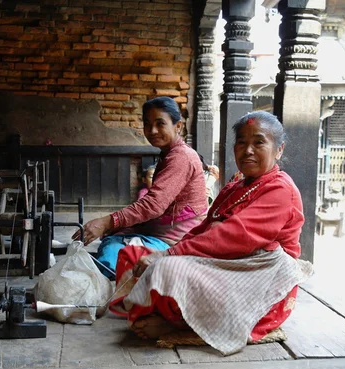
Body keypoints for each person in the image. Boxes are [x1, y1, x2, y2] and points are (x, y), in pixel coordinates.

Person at [108, 111, 314, 356]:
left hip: (257, 277)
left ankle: (180, 325)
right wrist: (165, 252)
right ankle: (169, 314)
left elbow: (234, 235)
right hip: (223, 262)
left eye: (259, 142)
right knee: (133, 256)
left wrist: (170, 256)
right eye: (241, 142)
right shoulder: (236, 184)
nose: (248, 150)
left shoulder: (281, 189)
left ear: (279, 150)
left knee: (166, 270)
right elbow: (205, 227)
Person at [72, 96, 209, 276]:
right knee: (113, 237)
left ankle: (110, 291)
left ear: (178, 126)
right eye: (147, 124)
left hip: (175, 241)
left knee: (114, 251)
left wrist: (107, 221)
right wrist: (113, 225)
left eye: (160, 123)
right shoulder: (169, 154)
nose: (152, 130)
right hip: (161, 233)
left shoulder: (181, 157)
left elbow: (153, 205)